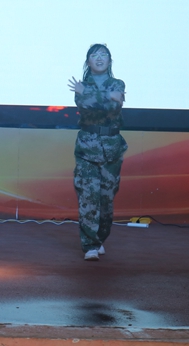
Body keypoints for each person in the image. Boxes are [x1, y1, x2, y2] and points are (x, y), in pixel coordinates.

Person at [68, 44, 127, 261]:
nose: (99, 58)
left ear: (110, 61)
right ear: (88, 61)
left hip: (112, 149)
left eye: (104, 55)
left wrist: (91, 95)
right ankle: (90, 245)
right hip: (87, 148)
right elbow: (87, 107)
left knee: (106, 199)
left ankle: (99, 238)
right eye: (95, 55)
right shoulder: (81, 85)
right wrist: (105, 96)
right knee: (88, 197)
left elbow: (114, 107)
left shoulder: (118, 84)